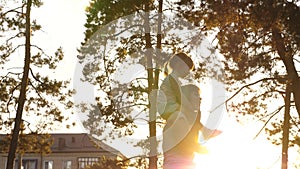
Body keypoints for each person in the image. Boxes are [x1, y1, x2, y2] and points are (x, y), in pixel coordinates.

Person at [162, 84, 221, 169]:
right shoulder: (178, 117)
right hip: (175, 165)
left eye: (199, 96)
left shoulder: (189, 119)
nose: (200, 99)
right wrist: (202, 149)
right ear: (185, 98)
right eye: (196, 95)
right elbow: (184, 143)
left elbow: (200, 128)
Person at [158, 52, 194, 120]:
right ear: (180, 65)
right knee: (190, 114)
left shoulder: (173, 78)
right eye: (187, 69)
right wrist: (190, 108)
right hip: (169, 107)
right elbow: (180, 97)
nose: (188, 72)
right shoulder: (173, 78)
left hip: (169, 107)